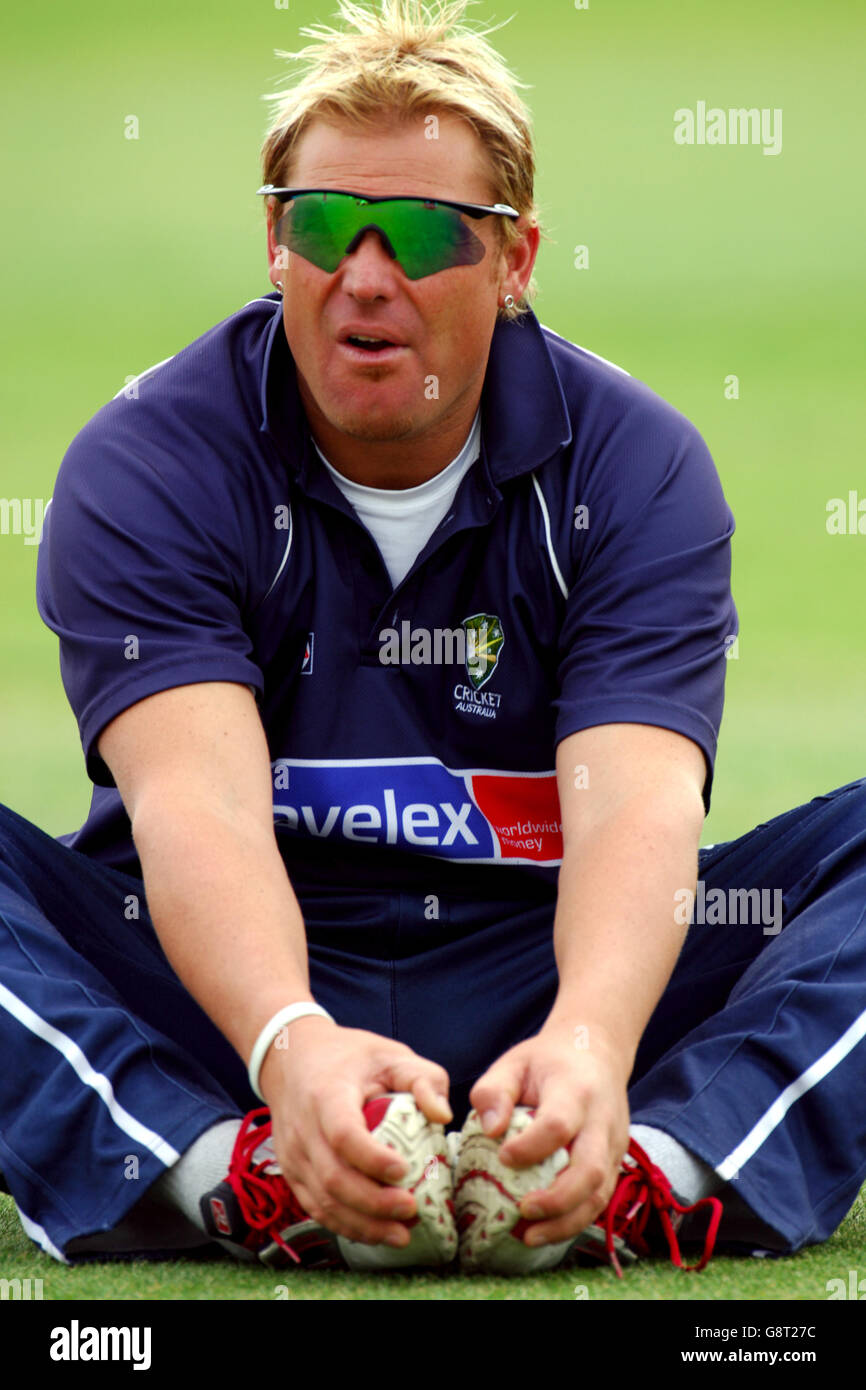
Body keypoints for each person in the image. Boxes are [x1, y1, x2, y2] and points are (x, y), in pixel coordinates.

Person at [1, 0, 864, 1277]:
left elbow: (636, 807)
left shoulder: (635, 466)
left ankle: (649, 1175)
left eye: (416, 234)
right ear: (273, 240)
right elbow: (198, 814)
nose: (363, 274)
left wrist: (588, 1042)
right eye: (318, 224)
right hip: (215, 986)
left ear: (514, 260)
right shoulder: (149, 463)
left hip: (539, 951)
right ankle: (217, 1172)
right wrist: (288, 1040)